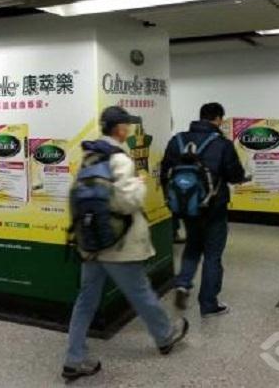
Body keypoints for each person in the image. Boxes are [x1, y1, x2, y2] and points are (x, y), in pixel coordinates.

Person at [63, 106, 189, 382]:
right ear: (120, 129)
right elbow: (127, 202)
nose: (129, 129)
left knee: (85, 300)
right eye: (126, 125)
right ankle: (165, 336)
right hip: (118, 244)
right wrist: (140, 183)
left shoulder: (89, 156)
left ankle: (74, 358)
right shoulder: (120, 159)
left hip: (91, 243)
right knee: (141, 292)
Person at [160, 102, 245, 318]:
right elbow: (235, 175)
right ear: (218, 119)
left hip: (187, 207)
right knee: (212, 255)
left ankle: (183, 282)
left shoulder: (177, 141)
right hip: (214, 208)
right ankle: (208, 304)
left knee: (192, 246)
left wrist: (174, 202)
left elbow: (164, 174)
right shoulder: (222, 144)